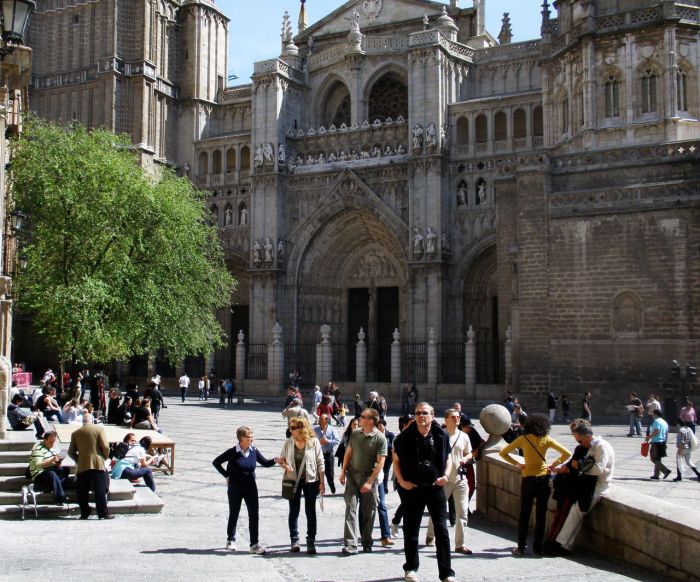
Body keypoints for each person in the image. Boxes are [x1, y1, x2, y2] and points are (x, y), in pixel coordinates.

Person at [393, 402, 455, 582]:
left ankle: (446, 573)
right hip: (413, 488)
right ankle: (411, 568)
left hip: (435, 488)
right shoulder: (405, 437)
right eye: (418, 413)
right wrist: (402, 481)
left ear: (432, 416)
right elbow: (395, 459)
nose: (421, 416)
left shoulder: (441, 435)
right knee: (411, 530)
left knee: (442, 530)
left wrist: (446, 475)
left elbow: (449, 457)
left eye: (425, 413)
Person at [499, 413, 570, 556]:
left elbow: (503, 453)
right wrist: (554, 464)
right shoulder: (546, 439)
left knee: (524, 513)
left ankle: (520, 547)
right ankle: (537, 548)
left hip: (528, 479)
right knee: (541, 515)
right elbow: (566, 453)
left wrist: (518, 464)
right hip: (544, 479)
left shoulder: (523, 439)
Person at [546, 419, 615, 556]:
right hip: (587, 483)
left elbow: (598, 469)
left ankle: (563, 544)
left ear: (587, 436)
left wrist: (580, 466)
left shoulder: (601, 447)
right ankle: (562, 543)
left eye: (580, 441)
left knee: (577, 511)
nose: (580, 444)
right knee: (575, 510)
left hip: (599, 485)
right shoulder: (589, 446)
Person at [212, 426, 284, 553]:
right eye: (249, 437)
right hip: (235, 487)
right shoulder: (233, 452)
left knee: (254, 514)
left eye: (252, 436)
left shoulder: (253, 450)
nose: (252, 439)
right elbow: (216, 462)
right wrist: (227, 476)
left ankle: (254, 544)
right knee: (234, 513)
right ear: (241, 439)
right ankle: (231, 540)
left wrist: (275, 460)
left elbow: (265, 463)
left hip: (251, 486)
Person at [339, 407, 387, 554]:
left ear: (371, 421)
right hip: (353, 475)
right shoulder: (355, 433)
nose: (360, 418)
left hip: (369, 476)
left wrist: (370, 481)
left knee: (368, 512)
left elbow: (381, 463)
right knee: (350, 509)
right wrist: (343, 472)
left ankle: (367, 541)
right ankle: (350, 544)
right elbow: (348, 453)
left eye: (363, 416)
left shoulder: (380, 438)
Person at [426, 408, 473, 555]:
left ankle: (460, 544)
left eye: (458, 417)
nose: (456, 419)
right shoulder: (440, 436)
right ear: (446, 419)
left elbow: (469, 452)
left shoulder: (464, 436)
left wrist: (467, 457)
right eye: (453, 417)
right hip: (444, 480)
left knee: (463, 512)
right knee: (437, 510)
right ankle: (430, 536)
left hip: (460, 479)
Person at [279, 417, 325, 554]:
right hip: (293, 481)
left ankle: (311, 540)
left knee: (310, 511)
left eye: (293, 428)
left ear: (302, 428)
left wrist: (322, 482)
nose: (290, 430)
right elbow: (281, 459)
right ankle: (294, 539)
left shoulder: (313, 442)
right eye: (290, 428)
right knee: (294, 510)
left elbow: (320, 462)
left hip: (310, 481)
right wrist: (285, 465)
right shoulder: (288, 442)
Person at [68, 413, 112, 519]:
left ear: (82, 421)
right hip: (97, 462)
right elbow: (106, 446)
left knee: (82, 491)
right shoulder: (99, 429)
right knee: (100, 490)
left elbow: (70, 452)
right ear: (92, 420)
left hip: (83, 464)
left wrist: (78, 460)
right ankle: (102, 513)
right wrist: (104, 457)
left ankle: (85, 512)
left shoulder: (75, 433)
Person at [30, 431, 69, 504]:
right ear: (45, 440)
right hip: (39, 473)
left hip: (50, 470)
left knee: (65, 470)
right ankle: (60, 497)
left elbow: (54, 463)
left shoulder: (52, 448)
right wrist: (51, 461)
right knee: (52, 474)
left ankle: (50, 487)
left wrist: (58, 463)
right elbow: (38, 465)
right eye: (50, 442)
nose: (52, 445)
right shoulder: (38, 449)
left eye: (53, 442)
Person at [313, 414, 339, 494]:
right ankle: (317, 489)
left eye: (321, 419)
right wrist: (318, 442)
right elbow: (310, 441)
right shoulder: (315, 430)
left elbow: (337, 441)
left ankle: (331, 485)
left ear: (326, 420)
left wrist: (328, 441)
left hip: (328, 454)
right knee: (318, 472)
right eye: (319, 419)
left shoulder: (332, 429)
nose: (319, 420)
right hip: (318, 455)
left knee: (329, 473)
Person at [645, 409, 671, 479]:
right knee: (658, 459)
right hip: (662, 442)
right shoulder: (664, 422)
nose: (652, 415)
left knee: (653, 458)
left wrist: (649, 437)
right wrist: (665, 442)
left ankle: (666, 470)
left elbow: (657, 431)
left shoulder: (656, 421)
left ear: (656, 414)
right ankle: (656, 475)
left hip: (656, 442)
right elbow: (666, 433)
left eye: (653, 414)